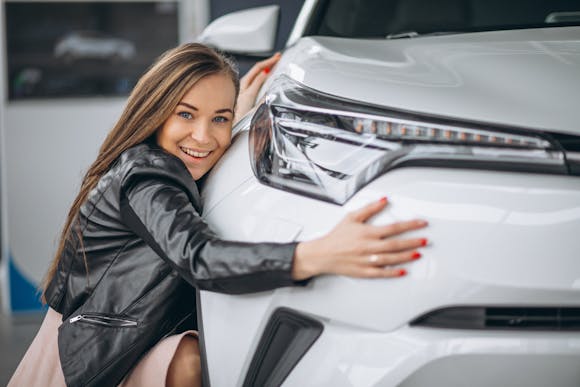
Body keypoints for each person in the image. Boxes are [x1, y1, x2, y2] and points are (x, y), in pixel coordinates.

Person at [8, 43, 428, 387]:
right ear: (155, 110)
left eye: (219, 119)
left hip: (100, 336)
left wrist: (239, 112)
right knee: (188, 360)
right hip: (83, 353)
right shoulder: (147, 177)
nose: (203, 136)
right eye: (186, 114)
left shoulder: (159, 162)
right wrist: (317, 255)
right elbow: (200, 257)